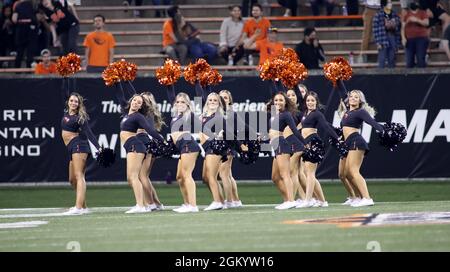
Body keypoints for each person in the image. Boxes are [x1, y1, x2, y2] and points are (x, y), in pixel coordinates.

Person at [114, 85, 166, 214]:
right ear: (131, 101)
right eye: (135, 100)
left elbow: (151, 130)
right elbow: (120, 95)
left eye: (140, 102)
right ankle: (145, 204)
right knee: (131, 177)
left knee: (136, 176)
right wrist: (118, 81)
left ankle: (142, 205)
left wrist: (163, 140)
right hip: (132, 145)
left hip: (135, 145)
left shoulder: (139, 116)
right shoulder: (127, 114)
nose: (136, 102)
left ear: (142, 106)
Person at [60, 79, 101, 215]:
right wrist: (65, 76)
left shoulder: (79, 117)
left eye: (76, 102)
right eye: (71, 100)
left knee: (79, 176)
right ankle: (83, 206)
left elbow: (89, 133)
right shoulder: (66, 113)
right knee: (72, 179)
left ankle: (78, 208)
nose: (73, 103)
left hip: (79, 146)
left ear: (79, 105)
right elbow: (65, 90)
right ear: (68, 102)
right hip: (71, 148)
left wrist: (98, 148)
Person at [337, 88, 384, 207]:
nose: (352, 98)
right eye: (351, 96)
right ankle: (359, 197)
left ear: (360, 101)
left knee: (353, 171)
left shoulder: (360, 112)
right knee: (346, 173)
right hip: (348, 143)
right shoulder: (348, 111)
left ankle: (367, 198)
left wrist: (383, 131)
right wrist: (337, 79)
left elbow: (372, 122)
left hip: (356, 141)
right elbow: (342, 92)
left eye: (356, 97)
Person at [296, 91, 340, 208]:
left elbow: (325, 126)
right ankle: (322, 201)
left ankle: (308, 200)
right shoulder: (305, 113)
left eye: (312, 101)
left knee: (310, 173)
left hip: (313, 143)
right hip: (306, 144)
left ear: (316, 102)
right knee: (309, 173)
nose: (310, 102)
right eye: (308, 100)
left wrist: (337, 138)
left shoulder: (317, 114)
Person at [267, 91, 305, 210]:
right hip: (276, 145)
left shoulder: (287, 114)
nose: (278, 102)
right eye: (276, 100)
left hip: (282, 144)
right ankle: (287, 200)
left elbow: (294, 130)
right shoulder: (275, 115)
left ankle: (291, 200)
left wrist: (305, 143)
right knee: (275, 177)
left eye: (281, 100)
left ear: (285, 102)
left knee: (285, 174)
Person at [166, 85, 201, 213]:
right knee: (179, 176)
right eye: (178, 101)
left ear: (188, 104)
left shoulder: (189, 115)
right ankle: (187, 204)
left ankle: (193, 205)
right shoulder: (176, 114)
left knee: (186, 175)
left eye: (183, 102)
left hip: (188, 145)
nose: (180, 103)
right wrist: (169, 82)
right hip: (182, 147)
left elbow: (202, 126)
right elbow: (171, 95)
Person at [372, 0, 401, 68]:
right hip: (382, 39)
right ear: (384, 4)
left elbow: (398, 25)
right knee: (382, 60)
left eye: (391, 2)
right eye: (389, 2)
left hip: (392, 37)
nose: (391, 4)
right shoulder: (378, 15)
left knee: (392, 59)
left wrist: (393, 24)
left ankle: (391, 77)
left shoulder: (394, 14)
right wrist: (378, 42)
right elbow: (375, 29)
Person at [401, 0, 430, 68]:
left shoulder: (422, 13)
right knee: (409, 62)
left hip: (421, 39)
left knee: (420, 60)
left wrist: (416, 20)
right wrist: (403, 38)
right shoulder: (406, 14)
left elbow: (427, 23)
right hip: (409, 39)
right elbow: (402, 27)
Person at [11, 0, 38, 68]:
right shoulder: (33, 5)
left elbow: (14, 19)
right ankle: (27, 71)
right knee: (29, 53)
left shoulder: (17, 5)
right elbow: (37, 18)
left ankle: (17, 72)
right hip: (29, 30)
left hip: (23, 30)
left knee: (20, 52)